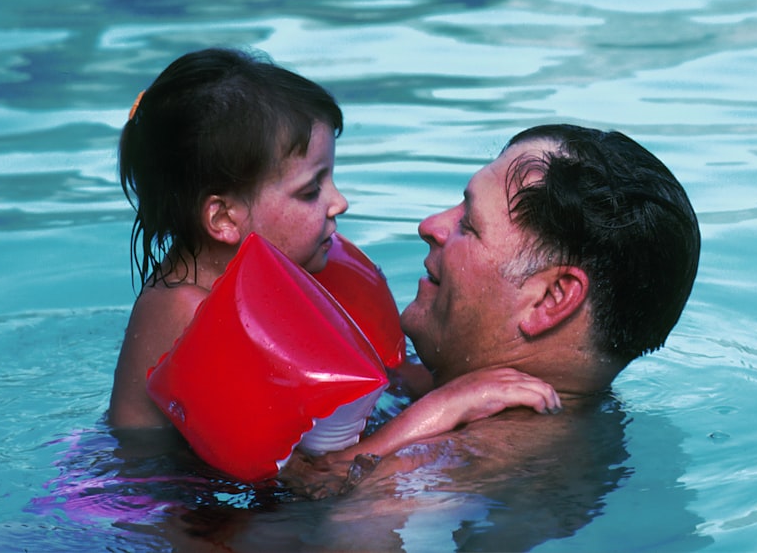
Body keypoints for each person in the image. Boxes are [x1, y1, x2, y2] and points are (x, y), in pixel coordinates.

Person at [107, 48, 560, 463]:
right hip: (160, 503)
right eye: (310, 190)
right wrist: (447, 404)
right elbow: (311, 479)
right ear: (224, 218)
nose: (339, 202)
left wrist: (486, 378)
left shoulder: (280, 281)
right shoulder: (188, 312)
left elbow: (380, 385)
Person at [281, 123, 700, 504]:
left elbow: (325, 506)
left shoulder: (447, 465)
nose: (430, 225)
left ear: (551, 298)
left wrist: (436, 411)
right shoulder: (578, 424)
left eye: (469, 225)